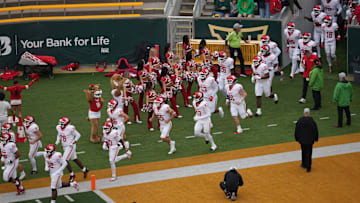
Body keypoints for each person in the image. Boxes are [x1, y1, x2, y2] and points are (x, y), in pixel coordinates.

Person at [55, 117, 89, 182]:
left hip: (70, 146)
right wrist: (57, 140)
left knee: (64, 160)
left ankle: (72, 174)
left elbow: (78, 135)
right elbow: (59, 134)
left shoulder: (70, 128)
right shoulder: (58, 127)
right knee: (74, 159)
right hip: (64, 146)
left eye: (63, 122)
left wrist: (73, 142)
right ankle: (85, 170)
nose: (61, 123)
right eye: (61, 122)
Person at [295, 108, 319, 172]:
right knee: (309, 152)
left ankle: (304, 164)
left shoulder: (300, 120)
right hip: (310, 140)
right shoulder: (312, 121)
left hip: (302, 140)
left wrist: (297, 138)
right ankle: (309, 166)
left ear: (304, 113)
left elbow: (297, 130)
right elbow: (315, 130)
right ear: (309, 113)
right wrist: (316, 138)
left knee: (303, 151)